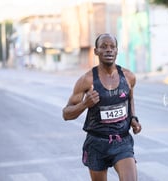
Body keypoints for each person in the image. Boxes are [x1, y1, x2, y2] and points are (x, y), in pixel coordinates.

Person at [62, 33, 142, 181]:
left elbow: (130, 99)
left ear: (117, 51)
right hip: (96, 143)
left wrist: (133, 118)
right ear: (96, 51)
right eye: (104, 47)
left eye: (112, 47)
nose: (109, 50)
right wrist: (84, 104)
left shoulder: (129, 77)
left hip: (121, 141)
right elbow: (66, 114)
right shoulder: (87, 80)